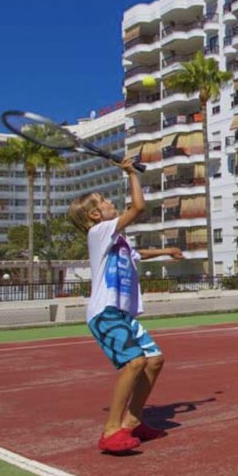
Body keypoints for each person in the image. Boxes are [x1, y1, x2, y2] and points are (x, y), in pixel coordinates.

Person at [68, 159, 183, 454]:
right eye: (105, 201)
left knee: (154, 360)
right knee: (134, 363)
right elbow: (138, 208)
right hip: (105, 313)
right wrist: (131, 174)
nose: (110, 203)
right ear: (95, 214)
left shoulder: (117, 239)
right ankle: (110, 430)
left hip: (123, 314)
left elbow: (137, 253)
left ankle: (132, 421)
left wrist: (165, 250)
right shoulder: (99, 233)